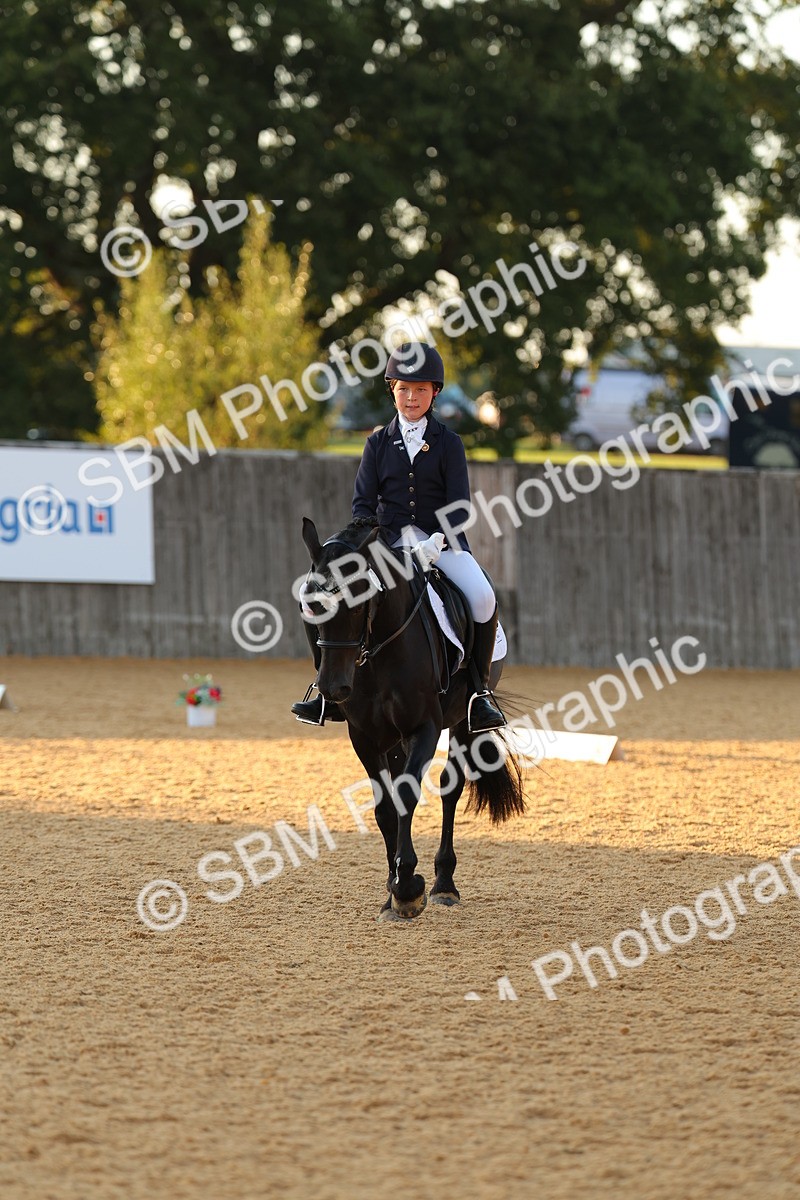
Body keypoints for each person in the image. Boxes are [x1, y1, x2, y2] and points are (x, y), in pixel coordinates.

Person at [292, 342, 506, 733]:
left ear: (434, 393)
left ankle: (477, 695)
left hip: (438, 543)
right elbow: (362, 505)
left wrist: (437, 541)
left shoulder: (449, 444)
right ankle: (325, 690)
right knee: (315, 596)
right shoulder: (376, 443)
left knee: (483, 597)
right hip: (384, 544)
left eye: (421, 390)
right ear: (392, 388)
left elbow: (459, 506)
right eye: (404, 389)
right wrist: (364, 540)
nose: (411, 398)